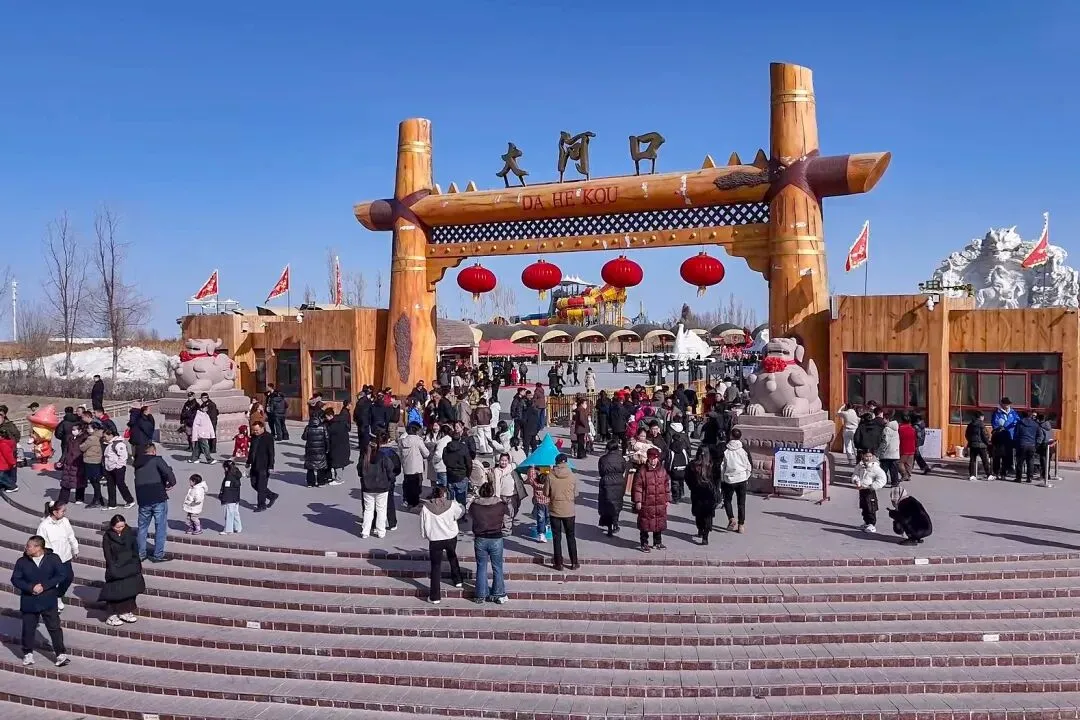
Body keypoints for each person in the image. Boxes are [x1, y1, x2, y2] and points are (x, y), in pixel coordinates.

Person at [11, 535, 70, 667]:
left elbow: (61, 574)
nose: (26, 548)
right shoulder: (22, 561)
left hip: (48, 600)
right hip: (29, 601)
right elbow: (15, 579)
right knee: (28, 629)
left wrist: (45, 586)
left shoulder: (53, 559)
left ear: (38, 547)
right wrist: (30, 587)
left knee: (54, 628)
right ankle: (28, 654)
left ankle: (60, 654)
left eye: (29, 546)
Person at [420, 485, 464, 604]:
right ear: (445, 494)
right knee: (452, 557)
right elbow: (459, 513)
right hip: (450, 537)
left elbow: (423, 523)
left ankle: (435, 597)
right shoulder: (451, 504)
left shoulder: (426, 507)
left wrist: (425, 535)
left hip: (435, 539)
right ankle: (458, 580)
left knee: (435, 566)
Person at [133, 443, 176, 562]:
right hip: (158, 496)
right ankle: (158, 555)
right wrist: (171, 483)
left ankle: (141, 554)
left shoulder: (137, 464)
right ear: (153, 451)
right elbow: (167, 472)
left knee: (142, 527)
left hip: (143, 498)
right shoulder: (157, 460)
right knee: (160, 527)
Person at [99, 514, 145, 626]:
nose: (120, 529)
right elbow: (108, 555)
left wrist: (136, 564)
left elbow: (135, 550)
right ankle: (111, 615)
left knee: (129, 590)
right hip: (116, 567)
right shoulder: (107, 537)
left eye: (122, 526)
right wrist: (112, 568)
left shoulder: (129, 533)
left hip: (129, 566)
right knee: (115, 591)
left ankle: (125, 611)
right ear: (112, 526)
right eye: (118, 527)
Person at [469, 481, 509, 604]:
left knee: (481, 566)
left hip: (480, 538)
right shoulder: (500, 505)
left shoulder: (474, 506)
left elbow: (471, 515)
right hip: (496, 538)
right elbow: (507, 516)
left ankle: (481, 595)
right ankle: (498, 593)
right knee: (497, 567)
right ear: (492, 492)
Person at [36, 501, 78, 612]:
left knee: (68, 578)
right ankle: (52, 602)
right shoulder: (44, 526)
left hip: (65, 557)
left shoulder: (65, 521)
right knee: (53, 581)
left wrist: (75, 548)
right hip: (52, 560)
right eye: (62, 511)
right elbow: (40, 543)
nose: (64, 513)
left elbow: (71, 536)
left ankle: (58, 595)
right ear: (55, 512)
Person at [632, 447, 671, 552]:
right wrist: (638, 501)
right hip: (646, 502)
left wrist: (667, 499)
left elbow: (666, 485)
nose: (653, 460)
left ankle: (657, 542)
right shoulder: (642, 471)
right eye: (651, 458)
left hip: (660, 502)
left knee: (658, 522)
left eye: (655, 458)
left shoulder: (662, 470)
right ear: (648, 458)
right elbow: (637, 487)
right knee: (645, 523)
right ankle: (644, 543)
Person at [360, 431, 396, 538]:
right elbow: (390, 470)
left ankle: (365, 531)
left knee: (368, 510)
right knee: (381, 510)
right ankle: (381, 531)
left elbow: (359, 471)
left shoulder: (365, 457)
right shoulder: (383, 457)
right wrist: (391, 480)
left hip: (367, 487)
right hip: (382, 487)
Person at [547, 454, 579, 571]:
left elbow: (546, 492)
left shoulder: (550, 475)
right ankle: (574, 562)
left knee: (557, 537)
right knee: (571, 536)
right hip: (569, 511)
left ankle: (558, 563)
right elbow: (576, 493)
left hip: (555, 510)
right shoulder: (572, 475)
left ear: (556, 462)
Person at [687, 445, 722, 544]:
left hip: (697, 493)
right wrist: (717, 489)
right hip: (709, 493)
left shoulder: (692, 465)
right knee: (708, 515)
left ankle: (700, 529)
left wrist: (692, 487)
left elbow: (687, 478)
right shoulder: (713, 465)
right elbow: (717, 479)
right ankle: (705, 536)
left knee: (698, 514)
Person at [720, 427, 752, 533]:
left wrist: (722, 479)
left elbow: (722, 466)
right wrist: (747, 476)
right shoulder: (744, 448)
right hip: (742, 478)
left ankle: (731, 518)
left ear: (730, 436)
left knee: (727, 500)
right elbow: (749, 463)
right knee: (741, 503)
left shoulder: (725, 449)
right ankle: (741, 525)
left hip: (729, 479)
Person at [852, 450, 887, 533]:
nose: (868, 458)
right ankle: (866, 522)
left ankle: (872, 524)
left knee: (870, 507)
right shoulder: (860, 465)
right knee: (864, 507)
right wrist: (855, 480)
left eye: (870, 456)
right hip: (862, 489)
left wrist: (873, 486)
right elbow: (855, 474)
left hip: (870, 490)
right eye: (867, 456)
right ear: (863, 456)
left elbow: (882, 479)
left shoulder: (875, 467)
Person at [597, 440, 627, 536]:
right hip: (619, 481)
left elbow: (601, 472)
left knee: (607, 504)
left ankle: (609, 527)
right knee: (617, 504)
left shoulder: (603, 459)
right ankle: (616, 524)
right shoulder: (621, 459)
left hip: (606, 482)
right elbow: (623, 469)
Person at [399, 422, 431, 509]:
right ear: (416, 431)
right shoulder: (418, 440)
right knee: (416, 486)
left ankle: (407, 501)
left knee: (408, 484)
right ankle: (415, 503)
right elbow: (426, 453)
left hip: (406, 467)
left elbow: (400, 454)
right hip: (417, 468)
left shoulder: (402, 441)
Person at [102, 427, 134, 509]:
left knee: (120, 484)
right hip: (109, 468)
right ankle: (112, 504)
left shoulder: (118, 444)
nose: (104, 438)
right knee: (110, 485)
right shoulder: (108, 444)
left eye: (105, 436)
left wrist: (118, 466)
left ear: (111, 435)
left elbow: (123, 456)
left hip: (118, 468)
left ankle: (129, 500)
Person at [57, 424, 86, 505]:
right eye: (72, 429)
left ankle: (79, 498)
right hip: (68, 462)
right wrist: (61, 461)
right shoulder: (69, 438)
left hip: (79, 462)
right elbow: (65, 451)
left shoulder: (84, 438)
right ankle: (63, 499)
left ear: (80, 430)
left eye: (75, 429)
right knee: (66, 481)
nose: (73, 431)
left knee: (79, 481)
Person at [991, 397, 1018, 476]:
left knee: (1008, 454)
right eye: (1006, 404)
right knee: (998, 455)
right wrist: (1004, 426)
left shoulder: (1013, 412)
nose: (1008, 406)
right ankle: (996, 471)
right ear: (1002, 404)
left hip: (1010, 436)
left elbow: (1017, 420)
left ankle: (1006, 470)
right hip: (999, 437)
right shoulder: (997, 413)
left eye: (1009, 404)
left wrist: (1008, 425)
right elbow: (995, 424)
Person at [491, 452, 517, 535]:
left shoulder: (512, 467)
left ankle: (507, 526)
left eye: (505, 460)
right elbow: (497, 484)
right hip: (503, 495)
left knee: (511, 511)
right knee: (506, 512)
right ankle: (506, 529)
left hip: (512, 494)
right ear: (499, 461)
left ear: (508, 461)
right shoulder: (497, 470)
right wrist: (497, 496)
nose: (503, 462)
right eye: (502, 460)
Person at [301, 413, 330, 488]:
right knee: (321, 466)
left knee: (310, 467)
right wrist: (327, 448)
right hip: (321, 449)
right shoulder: (323, 427)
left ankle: (310, 483)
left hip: (310, 449)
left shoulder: (308, 427)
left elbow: (304, 437)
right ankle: (321, 482)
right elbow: (326, 438)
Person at [324, 407, 351, 486]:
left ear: (330, 416)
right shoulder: (340, 421)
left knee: (337, 462)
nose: (326, 419)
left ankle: (339, 479)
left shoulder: (333, 425)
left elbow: (330, 434)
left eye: (327, 417)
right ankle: (338, 477)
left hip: (337, 446)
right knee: (340, 462)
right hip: (343, 445)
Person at [666, 422, 691, 504]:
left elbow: (669, 461)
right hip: (683, 469)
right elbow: (687, 460)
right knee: (681, 482)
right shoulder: (683, 450)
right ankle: (681, 494)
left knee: (674, 484)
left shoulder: (671, 451)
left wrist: (668, 470)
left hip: (674, 470)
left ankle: (676, 498)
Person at [1013, 410, 1040, 484]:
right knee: (1030, 461)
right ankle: (1029, 478)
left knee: (1020, 462)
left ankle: (1018, 478)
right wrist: (1036, 443)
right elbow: (1039, 435)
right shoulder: (1035, 424)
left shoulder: (1019, 423)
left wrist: (1016, 443)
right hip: (1032, 445)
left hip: (1022, 444)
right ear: (1030, 416)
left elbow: (1016, 434)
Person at [526, 466, 551, 542]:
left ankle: (541, 534)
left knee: (541, 518)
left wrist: (532, 468)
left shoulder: (535, 485)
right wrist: (551, 468)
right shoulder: (549, 485)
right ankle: (546, 526)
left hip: (539, 504)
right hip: (548, 503)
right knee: (548, 516)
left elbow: (531, 478)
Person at [218, 459, 244, 534]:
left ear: (226, 467)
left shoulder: (229, 476)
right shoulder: (236, 474)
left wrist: (223, 497)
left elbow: (227, 489)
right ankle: (238, 528)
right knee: (235, 512)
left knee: (229, 514)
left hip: (230, 498)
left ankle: (228, 530)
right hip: (236, 497)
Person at [877, 412, 901, 488]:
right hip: (895, 452)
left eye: (883, 418)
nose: (882, 420)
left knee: (883, 469)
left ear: (887, 419)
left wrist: (880, 451)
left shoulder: (887, 429)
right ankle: (895, 482)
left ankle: (883, 481)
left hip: (887, 453)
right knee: (894, 469)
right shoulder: (896, 428)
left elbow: (885, 442)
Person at [897, 413, 917, 482]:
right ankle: (908, 475)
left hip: (903, 448)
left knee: (899, 463)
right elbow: (915, 439)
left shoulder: (900, 429)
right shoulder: (913, 429)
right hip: (912, 448)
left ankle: (904, 474)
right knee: (909, 463)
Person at [0, 426, 18, 493]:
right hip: (2, 464)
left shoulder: (3, 444)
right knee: (4, 476)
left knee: (2, 477)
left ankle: (12, 486)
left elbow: (8, 455)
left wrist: (13, 463)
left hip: (3, 464)